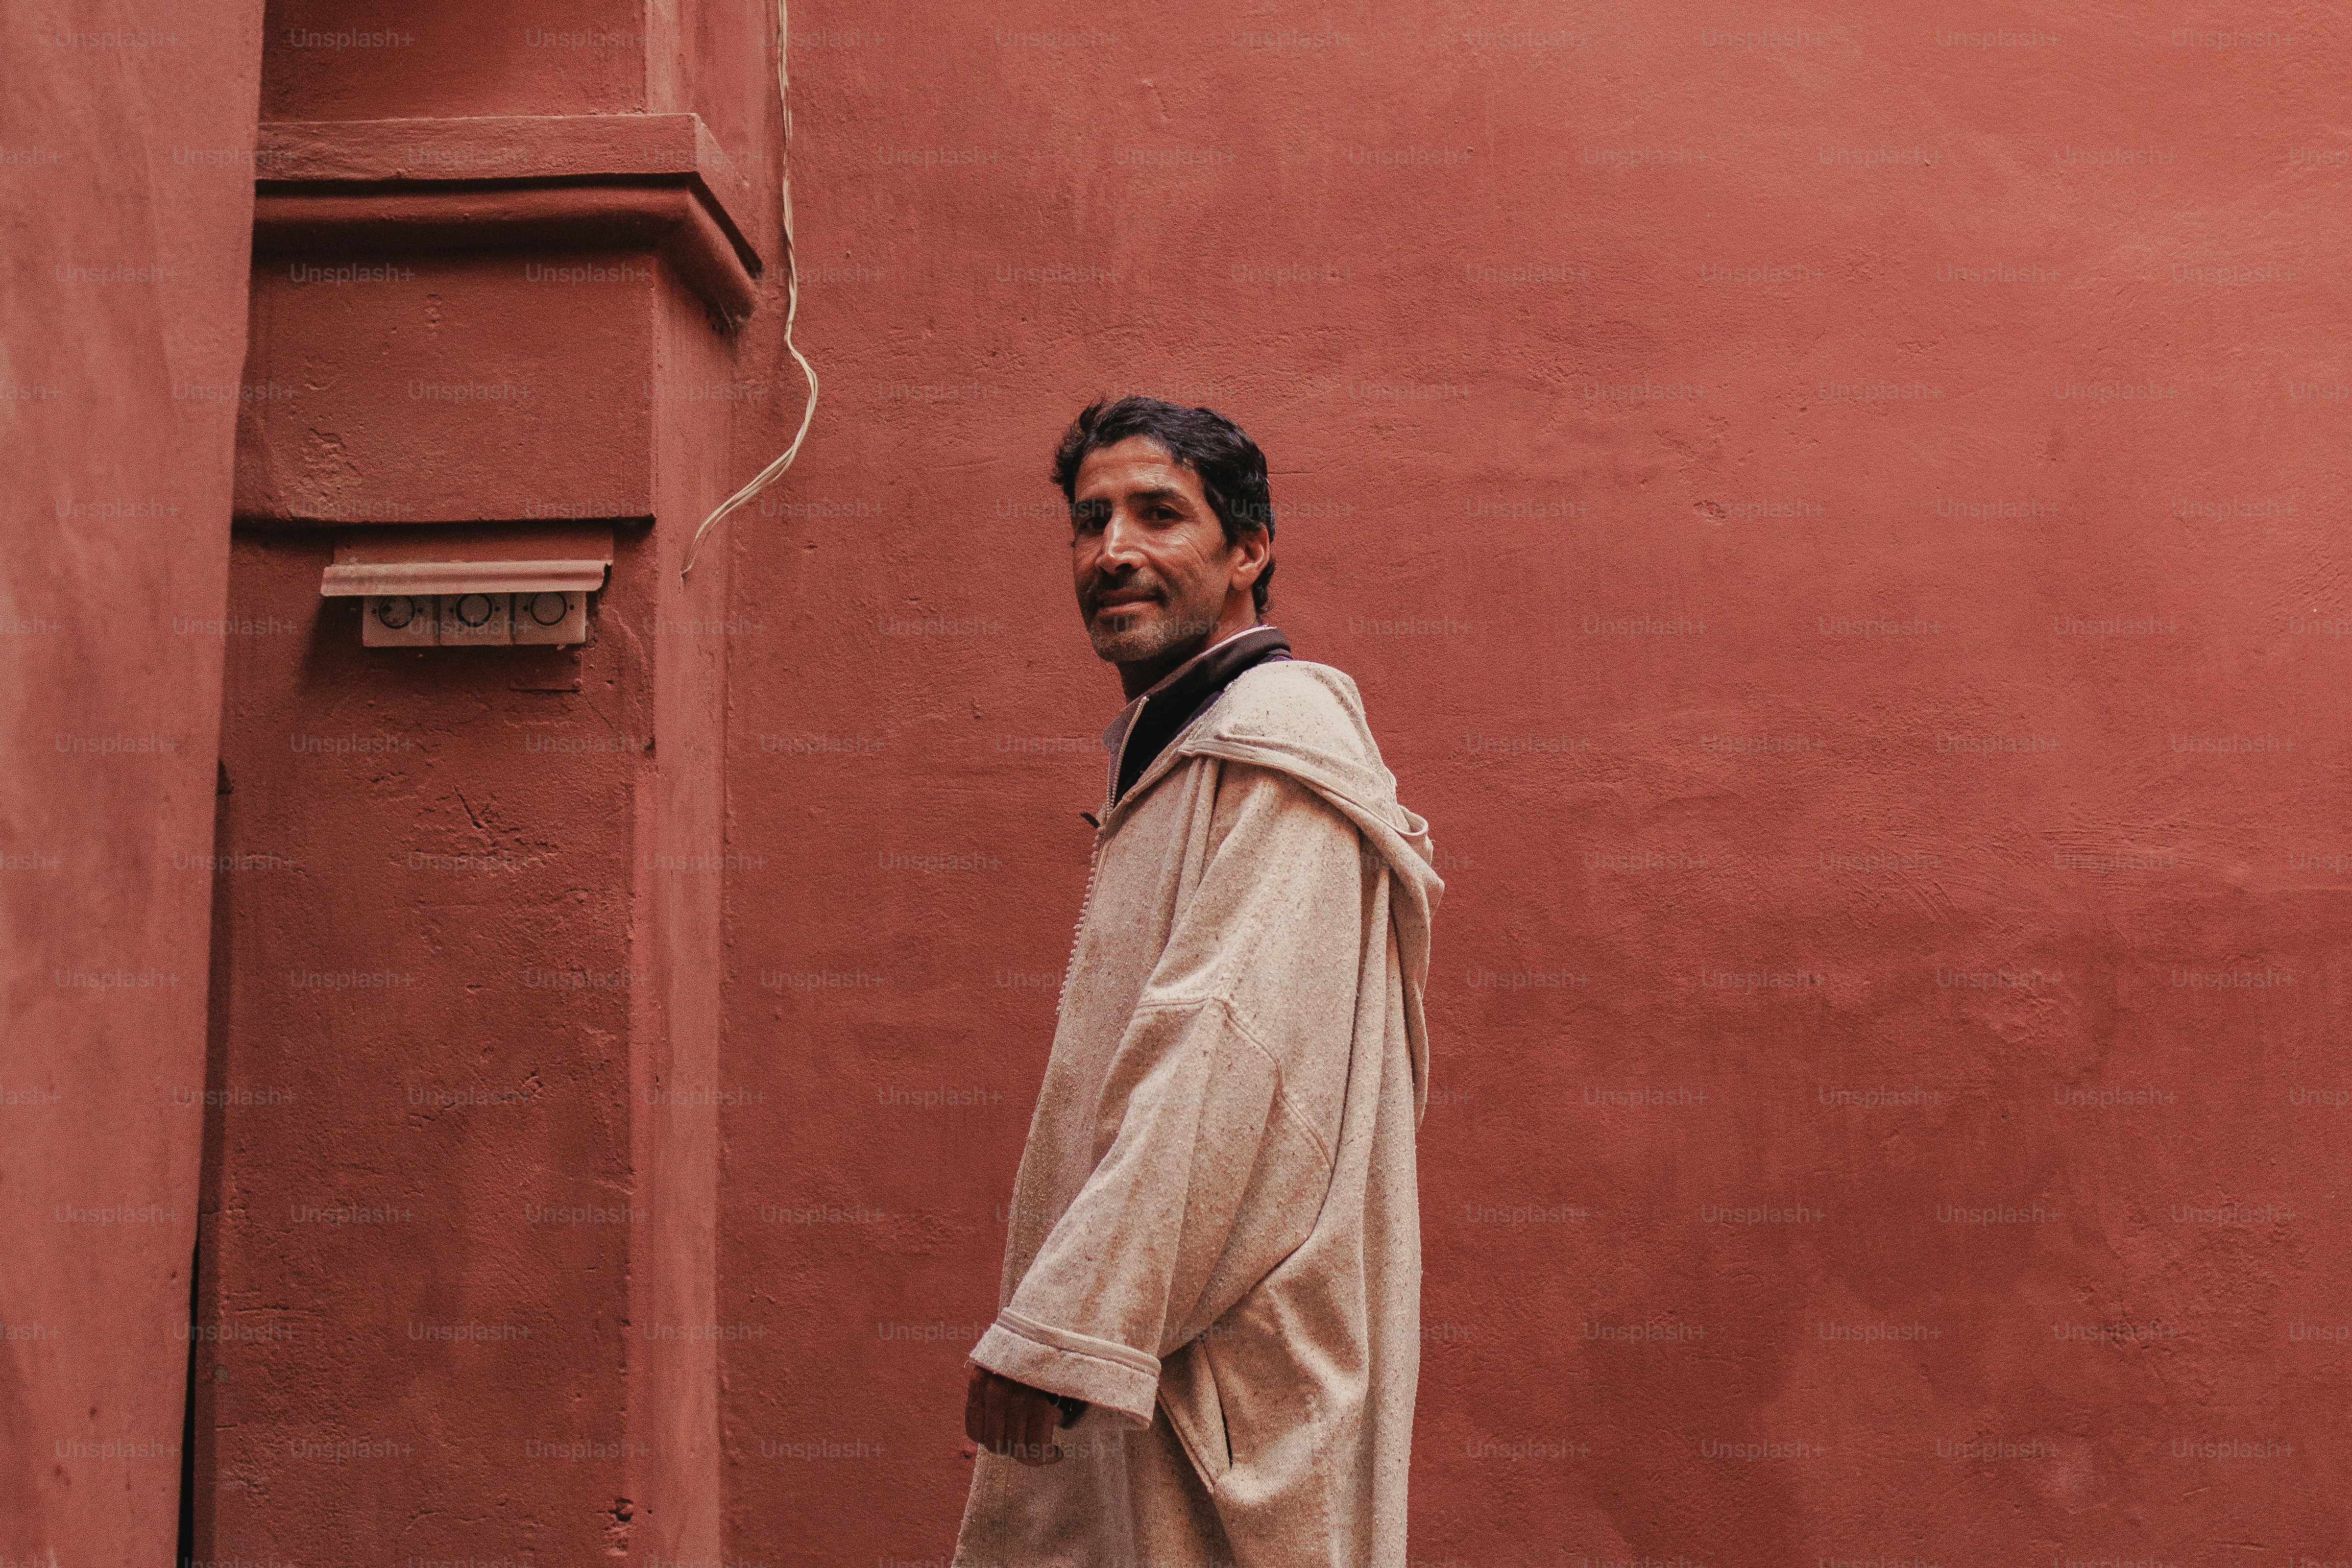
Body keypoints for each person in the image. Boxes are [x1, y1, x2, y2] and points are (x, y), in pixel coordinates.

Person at [952, 396, 1445, 1567]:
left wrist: (1063, 1325)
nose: (1112, 549)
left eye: (1158, 514)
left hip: (1222, 1373)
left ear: (1248, 551)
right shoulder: (1182, 749)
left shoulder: (1273, 749)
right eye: (1090, 520)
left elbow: (1224, 1057)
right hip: (1161, 1352)